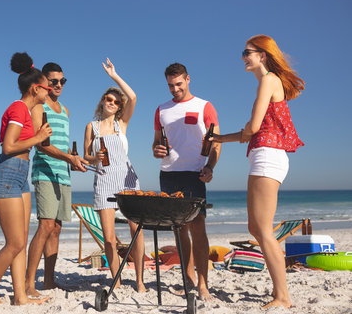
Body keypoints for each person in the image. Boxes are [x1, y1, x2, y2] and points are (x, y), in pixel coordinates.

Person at [210, 35, 304, 309]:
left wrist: (221, 137)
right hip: (263, 155)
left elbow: (252, 128)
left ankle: (283, 297)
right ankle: (280, 292)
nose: (243, 56)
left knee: (263, 229)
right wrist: (219, 139)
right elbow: (252, 130)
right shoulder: (269, 82)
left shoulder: (269, 80)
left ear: (262, 55)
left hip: (268, 156)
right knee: (255, 227)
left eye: (246, 52)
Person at [0, 52, 53, 306]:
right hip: (7, 173)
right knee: (15, 243)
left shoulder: (29, 110)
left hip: (21, 175)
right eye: (47, 87)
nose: (50, 90)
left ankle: (20, 297)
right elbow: (8, 146)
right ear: (36, 88)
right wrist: (39, 137)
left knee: (20, 241)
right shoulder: (18, 108)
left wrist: (39, 136)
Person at [152, 62, 221, 301]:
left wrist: (210, 166)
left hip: (194, 174)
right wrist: (156, 150)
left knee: (198, 228)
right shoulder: (161, 110)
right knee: (178, 229)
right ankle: (188, 280)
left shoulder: (204, 106)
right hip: (168, 174)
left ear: (188, 79)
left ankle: (203, 285)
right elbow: (156, 143)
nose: (175, 89)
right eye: (171, 85)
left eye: (179, 84)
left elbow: (216, 143)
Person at [25, 62, 88, 296]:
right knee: (45, 226)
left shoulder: (66, 110)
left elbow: (63, 144)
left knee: (57, 228)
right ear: (44, 82)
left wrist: (75, 160)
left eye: (62, 81)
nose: (59, 85)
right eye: (54, 81)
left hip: (63, 174)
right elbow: (42, 145)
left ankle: (49, 281)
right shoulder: (39, 108)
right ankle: (29, 284)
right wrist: (69, 158)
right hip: (45, 172)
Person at [83, 58, 146, 293]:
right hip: (103, 180)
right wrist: (94, 159)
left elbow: (134, 97)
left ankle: (139, 281)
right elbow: (86, 155)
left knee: (135, 230)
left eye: (116, 101)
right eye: (108, 99)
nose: (111, 103)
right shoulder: (92, 126)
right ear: (102, 102)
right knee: (108, 238)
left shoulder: (123, 124)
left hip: (126, 180)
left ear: (120, 106)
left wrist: (114, 76)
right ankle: (116, 280)